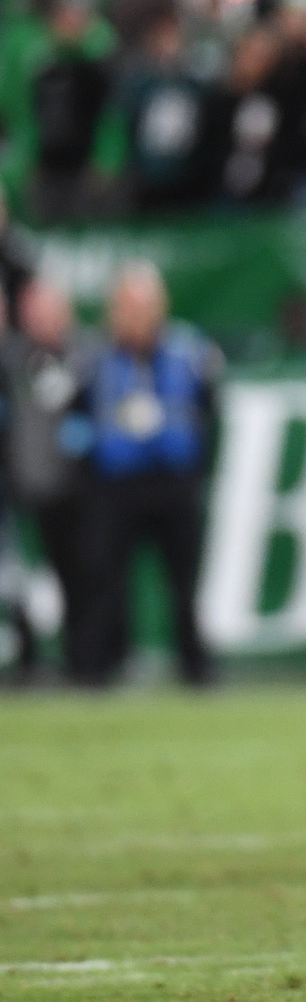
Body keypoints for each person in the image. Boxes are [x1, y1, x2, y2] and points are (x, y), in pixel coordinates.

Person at [77, 261, 220, 686]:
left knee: (184, 581)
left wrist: (196, 469)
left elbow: (211, 411)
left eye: (145, 305)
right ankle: (103, 666)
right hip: (117, 483)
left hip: (172, 481)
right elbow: (76, 416)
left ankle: (194, 666)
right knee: (107, 581)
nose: (138, 316)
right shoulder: (94, 358)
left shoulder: (190, 352)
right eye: (128, 306)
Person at [2, 278, 94, 680]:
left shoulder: (86, 355)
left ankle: (85, 661)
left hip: (76, 490)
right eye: (35, 311)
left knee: (81, 578)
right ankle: (28, 660)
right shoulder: (12, 358)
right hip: (21, 486)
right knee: (16, 576)